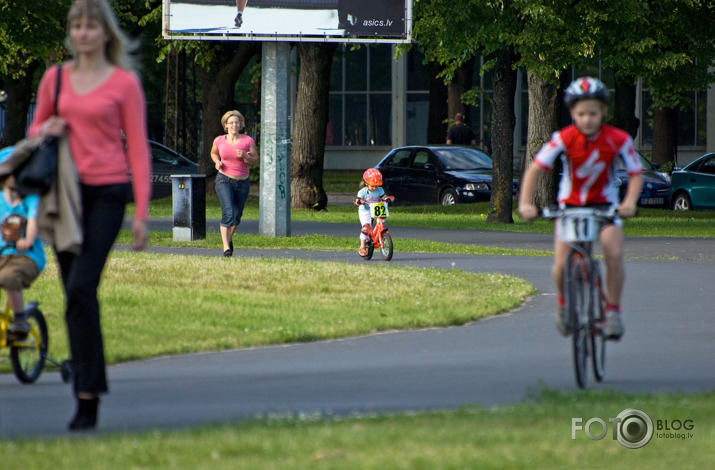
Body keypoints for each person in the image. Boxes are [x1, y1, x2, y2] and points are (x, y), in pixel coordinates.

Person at [27, 0, 151, 431]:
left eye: (90, 26)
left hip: (108, 195)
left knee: (82, 286)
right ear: (71, 32)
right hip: (65, 196)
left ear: (105, 33)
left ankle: (87, 394)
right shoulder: (54, 80)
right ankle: (86, 389)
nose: (82, 33)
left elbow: (137, 145)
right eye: (76, 25)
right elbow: (34, 130)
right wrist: (45, 129)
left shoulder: (123, 83)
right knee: (75, 295)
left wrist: (142, 213)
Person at [518, 77, 643, 341]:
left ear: (603, 112)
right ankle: (563, 306)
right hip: (571, 207)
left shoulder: (618, 139)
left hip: (605, 207)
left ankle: (612, 312)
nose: (587, 119)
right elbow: (535, 169)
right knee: (562, 263)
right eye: (581, 114)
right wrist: (526, 204)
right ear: (573, 113)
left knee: (613, 253)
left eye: (593, 113)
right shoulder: (563, 138)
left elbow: (635, 173)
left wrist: (629, 202)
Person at [0, 147, 46, 339]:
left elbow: (33, 220)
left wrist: (27, 240)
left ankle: (20, 319)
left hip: (27, 257)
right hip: (3, 254)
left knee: (9, 276)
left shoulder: (31, 198)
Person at [210, 110, 259, 257]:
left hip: (242, 182)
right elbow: (213, 153)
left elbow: (256, 160)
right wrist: (217, 162)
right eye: (231, 122)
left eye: (237, 122)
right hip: (224, 179)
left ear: (241, 124)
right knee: (228, 212)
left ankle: (228, 238)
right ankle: (226, 248)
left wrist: (246, 156)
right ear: (225, 125)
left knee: (237, 216)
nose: (234, 125)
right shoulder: (219, 140)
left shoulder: (248, 141)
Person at [353, 168, 392, 256]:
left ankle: (380, 235)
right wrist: (359, 201)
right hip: (365, 211)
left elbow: (384, 197)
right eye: (372, 186)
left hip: (376, 209)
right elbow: (357, 200)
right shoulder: (362, 192)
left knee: (381, 222)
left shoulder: (380, 190)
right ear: (366, 183)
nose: (374, 188)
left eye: (376, 186)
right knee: (366, 228)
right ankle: (362, 247)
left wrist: (387, 199)